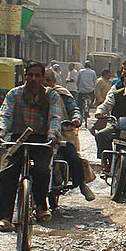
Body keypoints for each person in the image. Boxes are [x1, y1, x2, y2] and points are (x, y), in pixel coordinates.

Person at [0, 61, 64, 229]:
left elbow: (55, 117)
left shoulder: (51, 95)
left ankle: (41, 206)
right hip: (18, 138)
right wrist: (0, 130)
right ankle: (5, 218)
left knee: (41, 170)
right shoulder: (14, 94)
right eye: (30, 75)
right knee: (7, 172)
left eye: (37, 75)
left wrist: (53, 135)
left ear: (41, 78)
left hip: (41, 139)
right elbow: (5, 113)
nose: (33, 79)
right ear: (25, 76)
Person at [43, 69, 95, 201]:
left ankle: (81, 184)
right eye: (42, 79)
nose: (44, 83)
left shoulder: (61, 94)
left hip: (62, 133)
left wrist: (76, 118)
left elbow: (74, 108)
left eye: (48, 80)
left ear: (54, 81)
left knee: (73, 158)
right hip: (39, 135)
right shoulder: (30, 94)